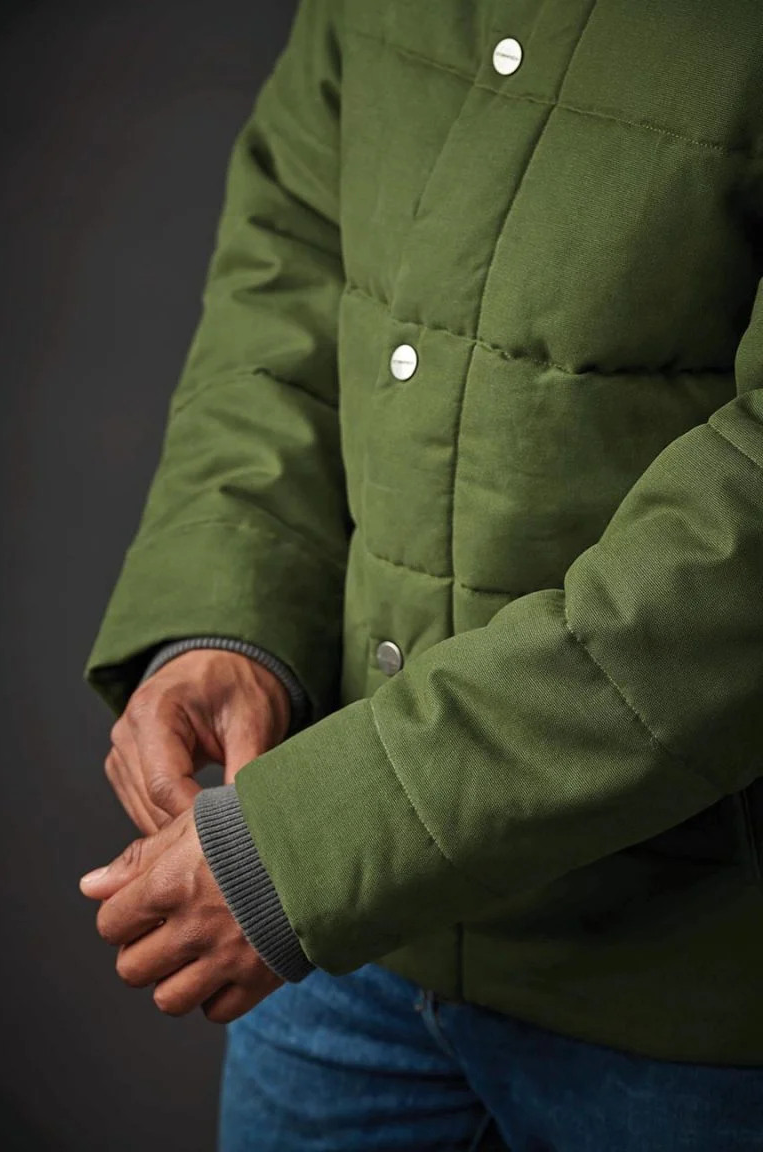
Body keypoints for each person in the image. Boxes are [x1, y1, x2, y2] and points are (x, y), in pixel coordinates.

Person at [79, 1, 763, 1148]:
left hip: (688, 1012)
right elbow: (291, 269)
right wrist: (229, 620)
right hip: (346, 967)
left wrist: (319, 846)